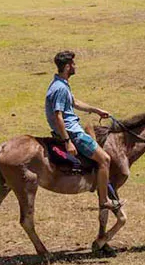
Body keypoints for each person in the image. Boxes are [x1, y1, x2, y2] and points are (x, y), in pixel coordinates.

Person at [45, 51, 119, 211]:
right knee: (105, 159)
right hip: (73, 133)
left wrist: (96, 110)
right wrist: (67, 141)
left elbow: (74, 102)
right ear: (66, 67)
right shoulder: (60, 89)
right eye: (73, 64)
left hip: (73, 129)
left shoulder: (60, 83)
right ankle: (104, 199)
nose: (75, 66)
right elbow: (58, 116)